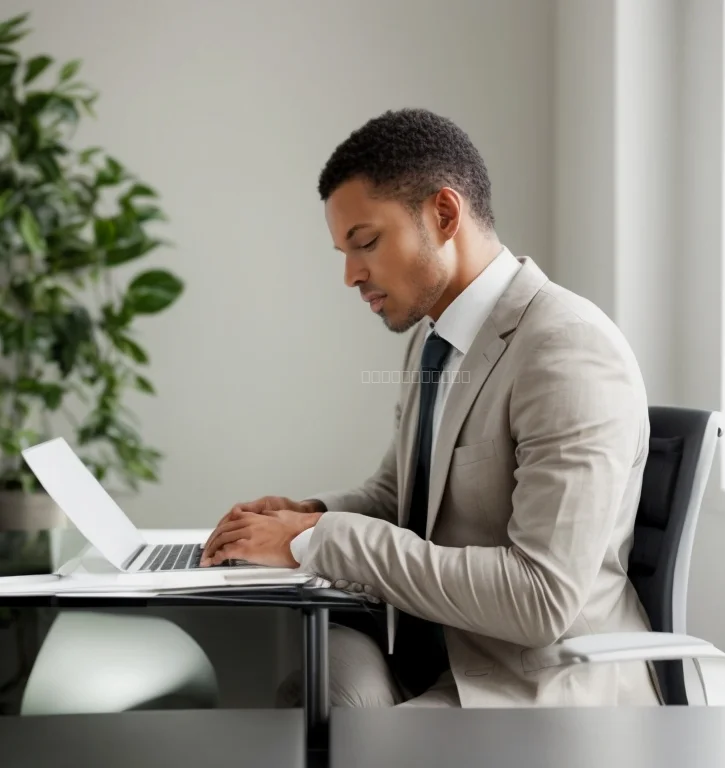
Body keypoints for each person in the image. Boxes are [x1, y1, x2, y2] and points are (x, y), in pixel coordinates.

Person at [201, 107, 661, 708]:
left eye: (365, 243)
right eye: (343, 250)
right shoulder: (433, 338)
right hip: (436, 651)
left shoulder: (565, 349)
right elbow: (400, 498)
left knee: (331, 724)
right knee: (309, 687)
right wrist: (304, 513)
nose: (350, 275)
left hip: (531, 684)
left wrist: (317, 538)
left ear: (444, 214)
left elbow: (541, 598)